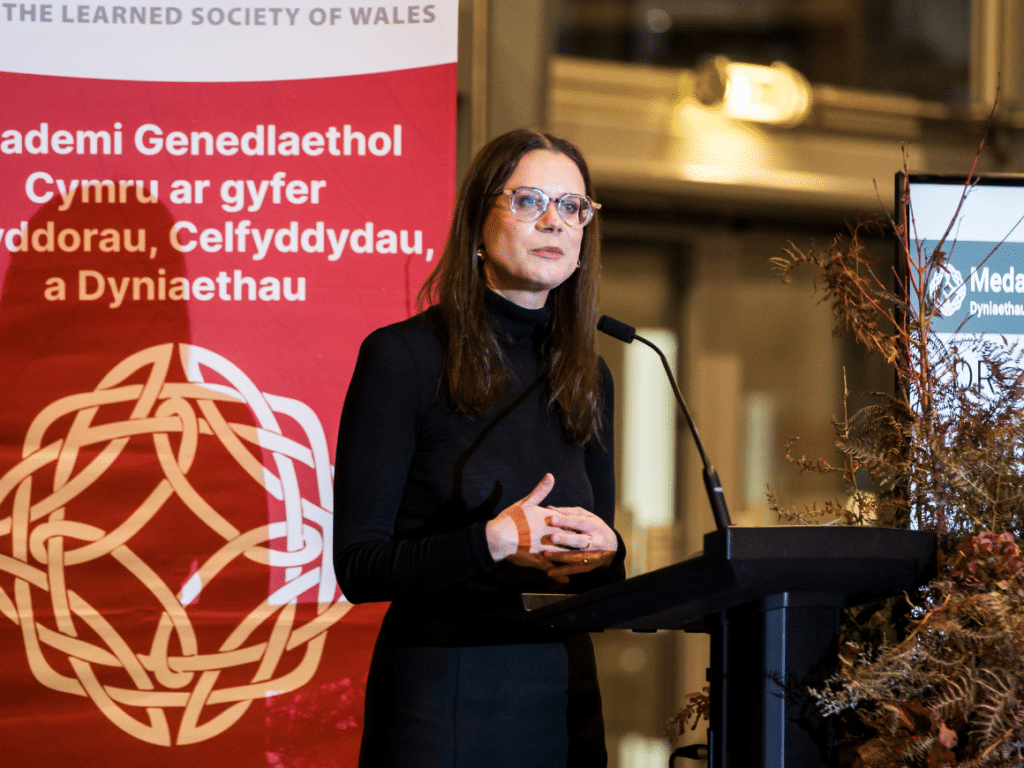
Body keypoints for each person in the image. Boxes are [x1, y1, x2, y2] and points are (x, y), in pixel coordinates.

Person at [333, 129, 625, 767]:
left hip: (561, 693)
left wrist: (606, 552)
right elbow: (358, 569)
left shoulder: (589, 374)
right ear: (477, 222)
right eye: (528, 202)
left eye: (574, 207)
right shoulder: (404, 358)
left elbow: (595, 555)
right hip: (443, 696)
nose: (555, 221)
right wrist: (492, 540)